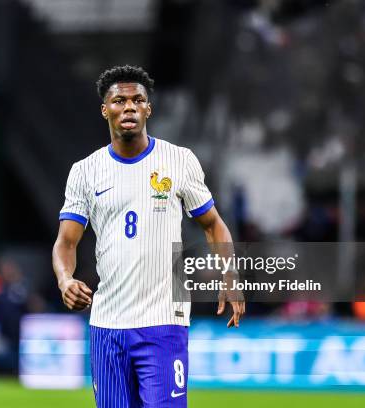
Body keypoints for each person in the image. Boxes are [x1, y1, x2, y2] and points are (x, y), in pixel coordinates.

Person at [52, 65, 245, 407]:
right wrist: (66, 280)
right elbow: (66, 242)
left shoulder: (178, 161)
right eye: (119, 101)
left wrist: (229, 275)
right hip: (107, 326)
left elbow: (213, 224)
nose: (129, 107)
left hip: (163, 324)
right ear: (105, 109)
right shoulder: (85, 172)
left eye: (137, 100)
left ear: (148, 109)